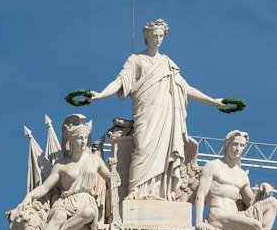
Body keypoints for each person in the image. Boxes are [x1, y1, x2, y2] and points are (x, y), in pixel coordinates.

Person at [87, 19, 227, 201]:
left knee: (165, 151)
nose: (158, 39)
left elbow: (187, 88)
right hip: (146, 111)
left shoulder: (168, 64)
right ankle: (136, 191)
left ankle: (162, 192)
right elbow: (120, 81)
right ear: (147, 36)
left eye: (161, 36)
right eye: (155, 36)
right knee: (142, 148)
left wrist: (213, 101)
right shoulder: (136, 60)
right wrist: (100, 94)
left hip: (167, 114)